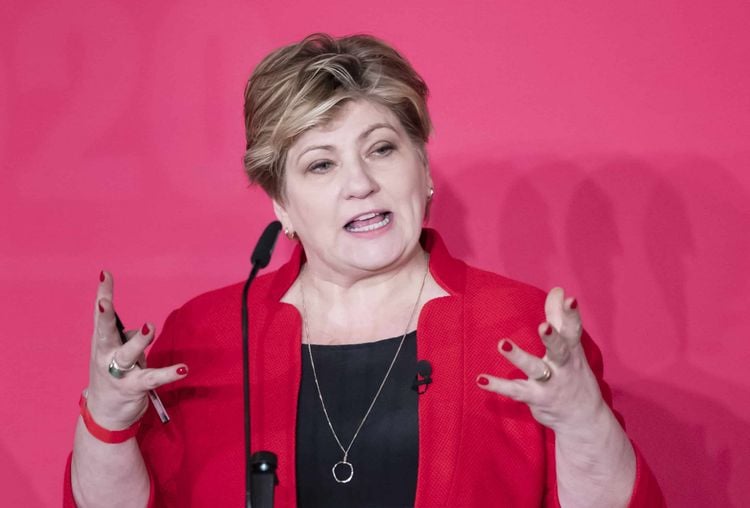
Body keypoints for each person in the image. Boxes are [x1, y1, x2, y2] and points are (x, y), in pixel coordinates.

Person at [65, 33, 664, 507]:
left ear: (422, 165)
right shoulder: (207, 335)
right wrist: (108, 421)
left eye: (381, 148)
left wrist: (583, 421)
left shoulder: (520, 329)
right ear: (282, 205)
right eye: (321, 165)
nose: (360, 183)